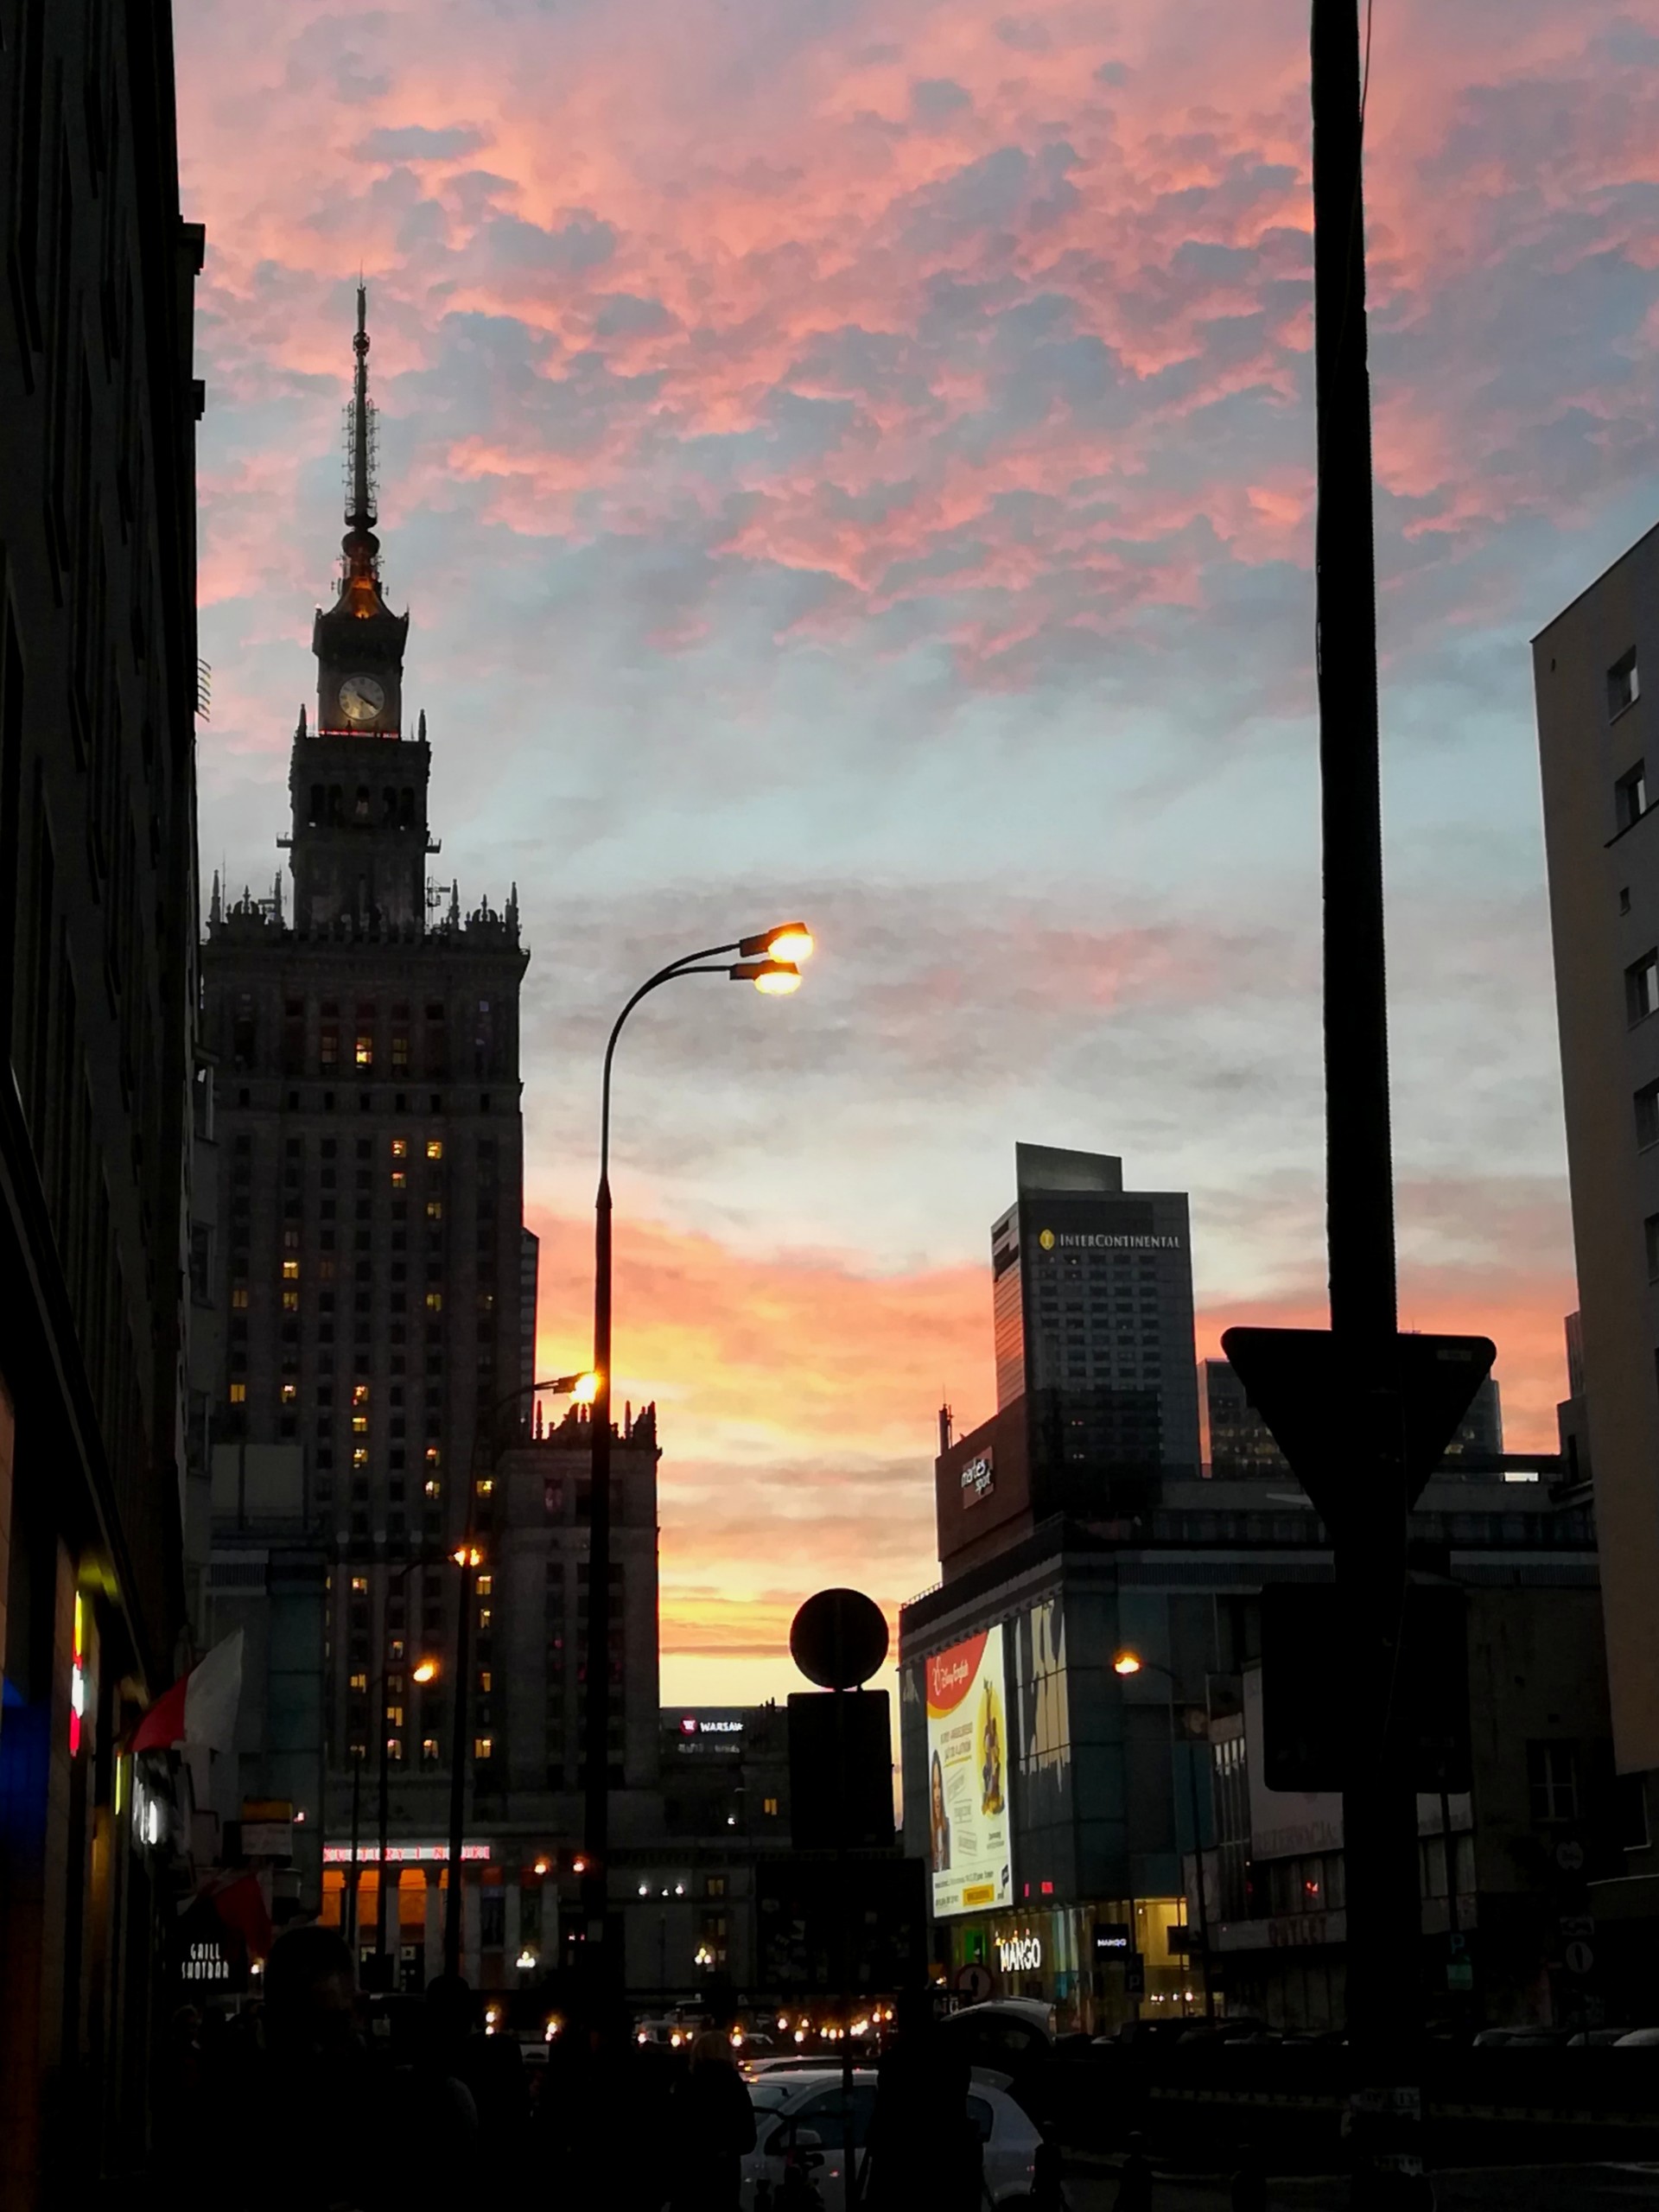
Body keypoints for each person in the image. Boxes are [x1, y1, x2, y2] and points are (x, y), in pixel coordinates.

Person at [668, 2028, 757, 2210]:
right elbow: (747, 2137)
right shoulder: (733, 2086)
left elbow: (674, 2128)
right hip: (722, 2175)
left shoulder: (686, 2084)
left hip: (689, 2173)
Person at [1114, 2131, 1154, 2212]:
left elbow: (1124, 2188)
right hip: (1140, 2204)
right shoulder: (1144, 2165)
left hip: (1132, 2204)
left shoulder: (1129, 2164)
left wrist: (1117, 2205)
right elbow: (1148, 2190)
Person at [930, 1750, 951, 1872]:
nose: (937, 1795)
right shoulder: (929, 1831)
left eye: (939, 1786)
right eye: (934, 1787)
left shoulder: (946, 1826)